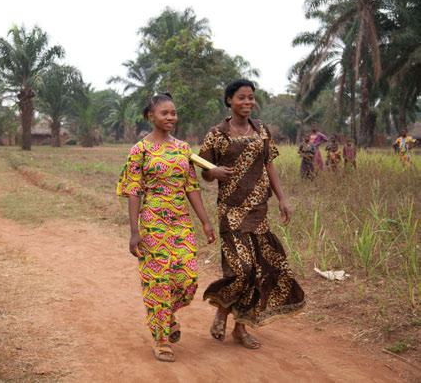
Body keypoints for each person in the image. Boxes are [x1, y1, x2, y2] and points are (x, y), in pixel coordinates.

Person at [198, 79, 305, 349]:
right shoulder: (217, 133)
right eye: (241, 98)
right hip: (231, 211)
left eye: (251, 98)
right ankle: (222, 308)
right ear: (229, 101)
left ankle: (240, 328)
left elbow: (269, 165)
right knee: (241, 268)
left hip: (259, 211)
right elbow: (205, 172)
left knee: (258, 271)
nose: (247, 102)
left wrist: (282, 199)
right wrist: (215, 171)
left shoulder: (262, 131)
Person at [116, 93, 217, 362]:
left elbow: (191, 187)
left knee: (188, 278)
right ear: (151, 116)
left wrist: (205, 221)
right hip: (152, 223)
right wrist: (134, 231)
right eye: (165, 113)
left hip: (181, 221)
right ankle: (161, 339)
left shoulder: (183, 149)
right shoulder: (140, 150)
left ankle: (167, 314)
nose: (171, 117)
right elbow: (134, 190)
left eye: (174, 113)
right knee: (158, 282)